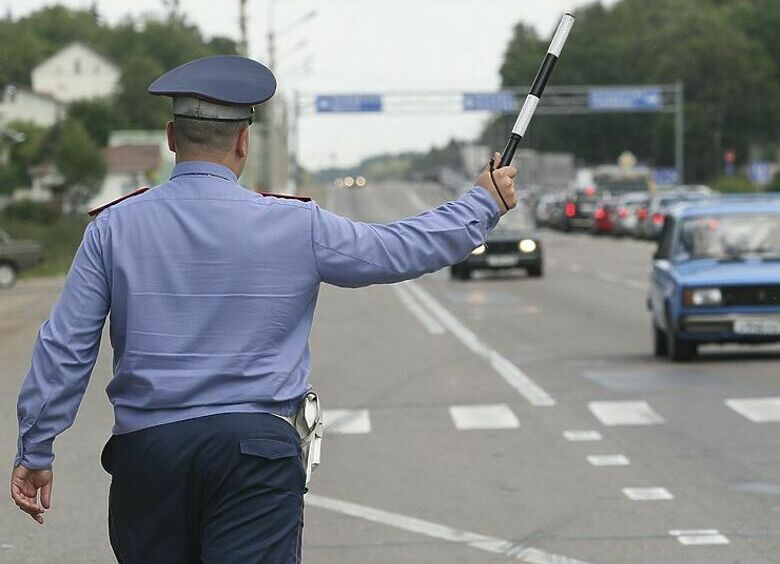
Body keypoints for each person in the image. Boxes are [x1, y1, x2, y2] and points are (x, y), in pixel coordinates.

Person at [10, 55, 518, 563]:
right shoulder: (297, 225)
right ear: (243, 141)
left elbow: (66, 345)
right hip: (256, 454)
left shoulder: (112, 229)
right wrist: (481, 202)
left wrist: (37, 446)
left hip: (149, 457)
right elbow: (396, 249)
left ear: (171, 137)